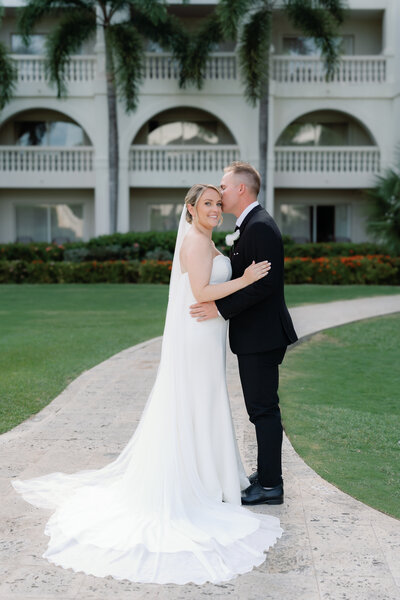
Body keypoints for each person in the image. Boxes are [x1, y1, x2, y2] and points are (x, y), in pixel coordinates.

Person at [12, 183, 283, 585]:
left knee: (207, 402)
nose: (214, 208)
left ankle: (211, 477)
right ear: (189, 209)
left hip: (208, 335)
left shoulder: (206, 240)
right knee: (196, 400)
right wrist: (245, 279)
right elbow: (202, 292)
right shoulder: (194, 241)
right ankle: (199, 480)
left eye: (216, 203)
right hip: (197, 335)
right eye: (206, 203)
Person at [190, 163, 298, 506]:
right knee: (259, 408)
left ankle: (271, 486)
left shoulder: (261, 227)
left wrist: (220, 310)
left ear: (240, 190)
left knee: (263, 410)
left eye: (223, 186)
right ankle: (266, 474)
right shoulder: (250, 226)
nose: (219, 193)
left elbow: (263, 286)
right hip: (257, 335)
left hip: (262, 336)